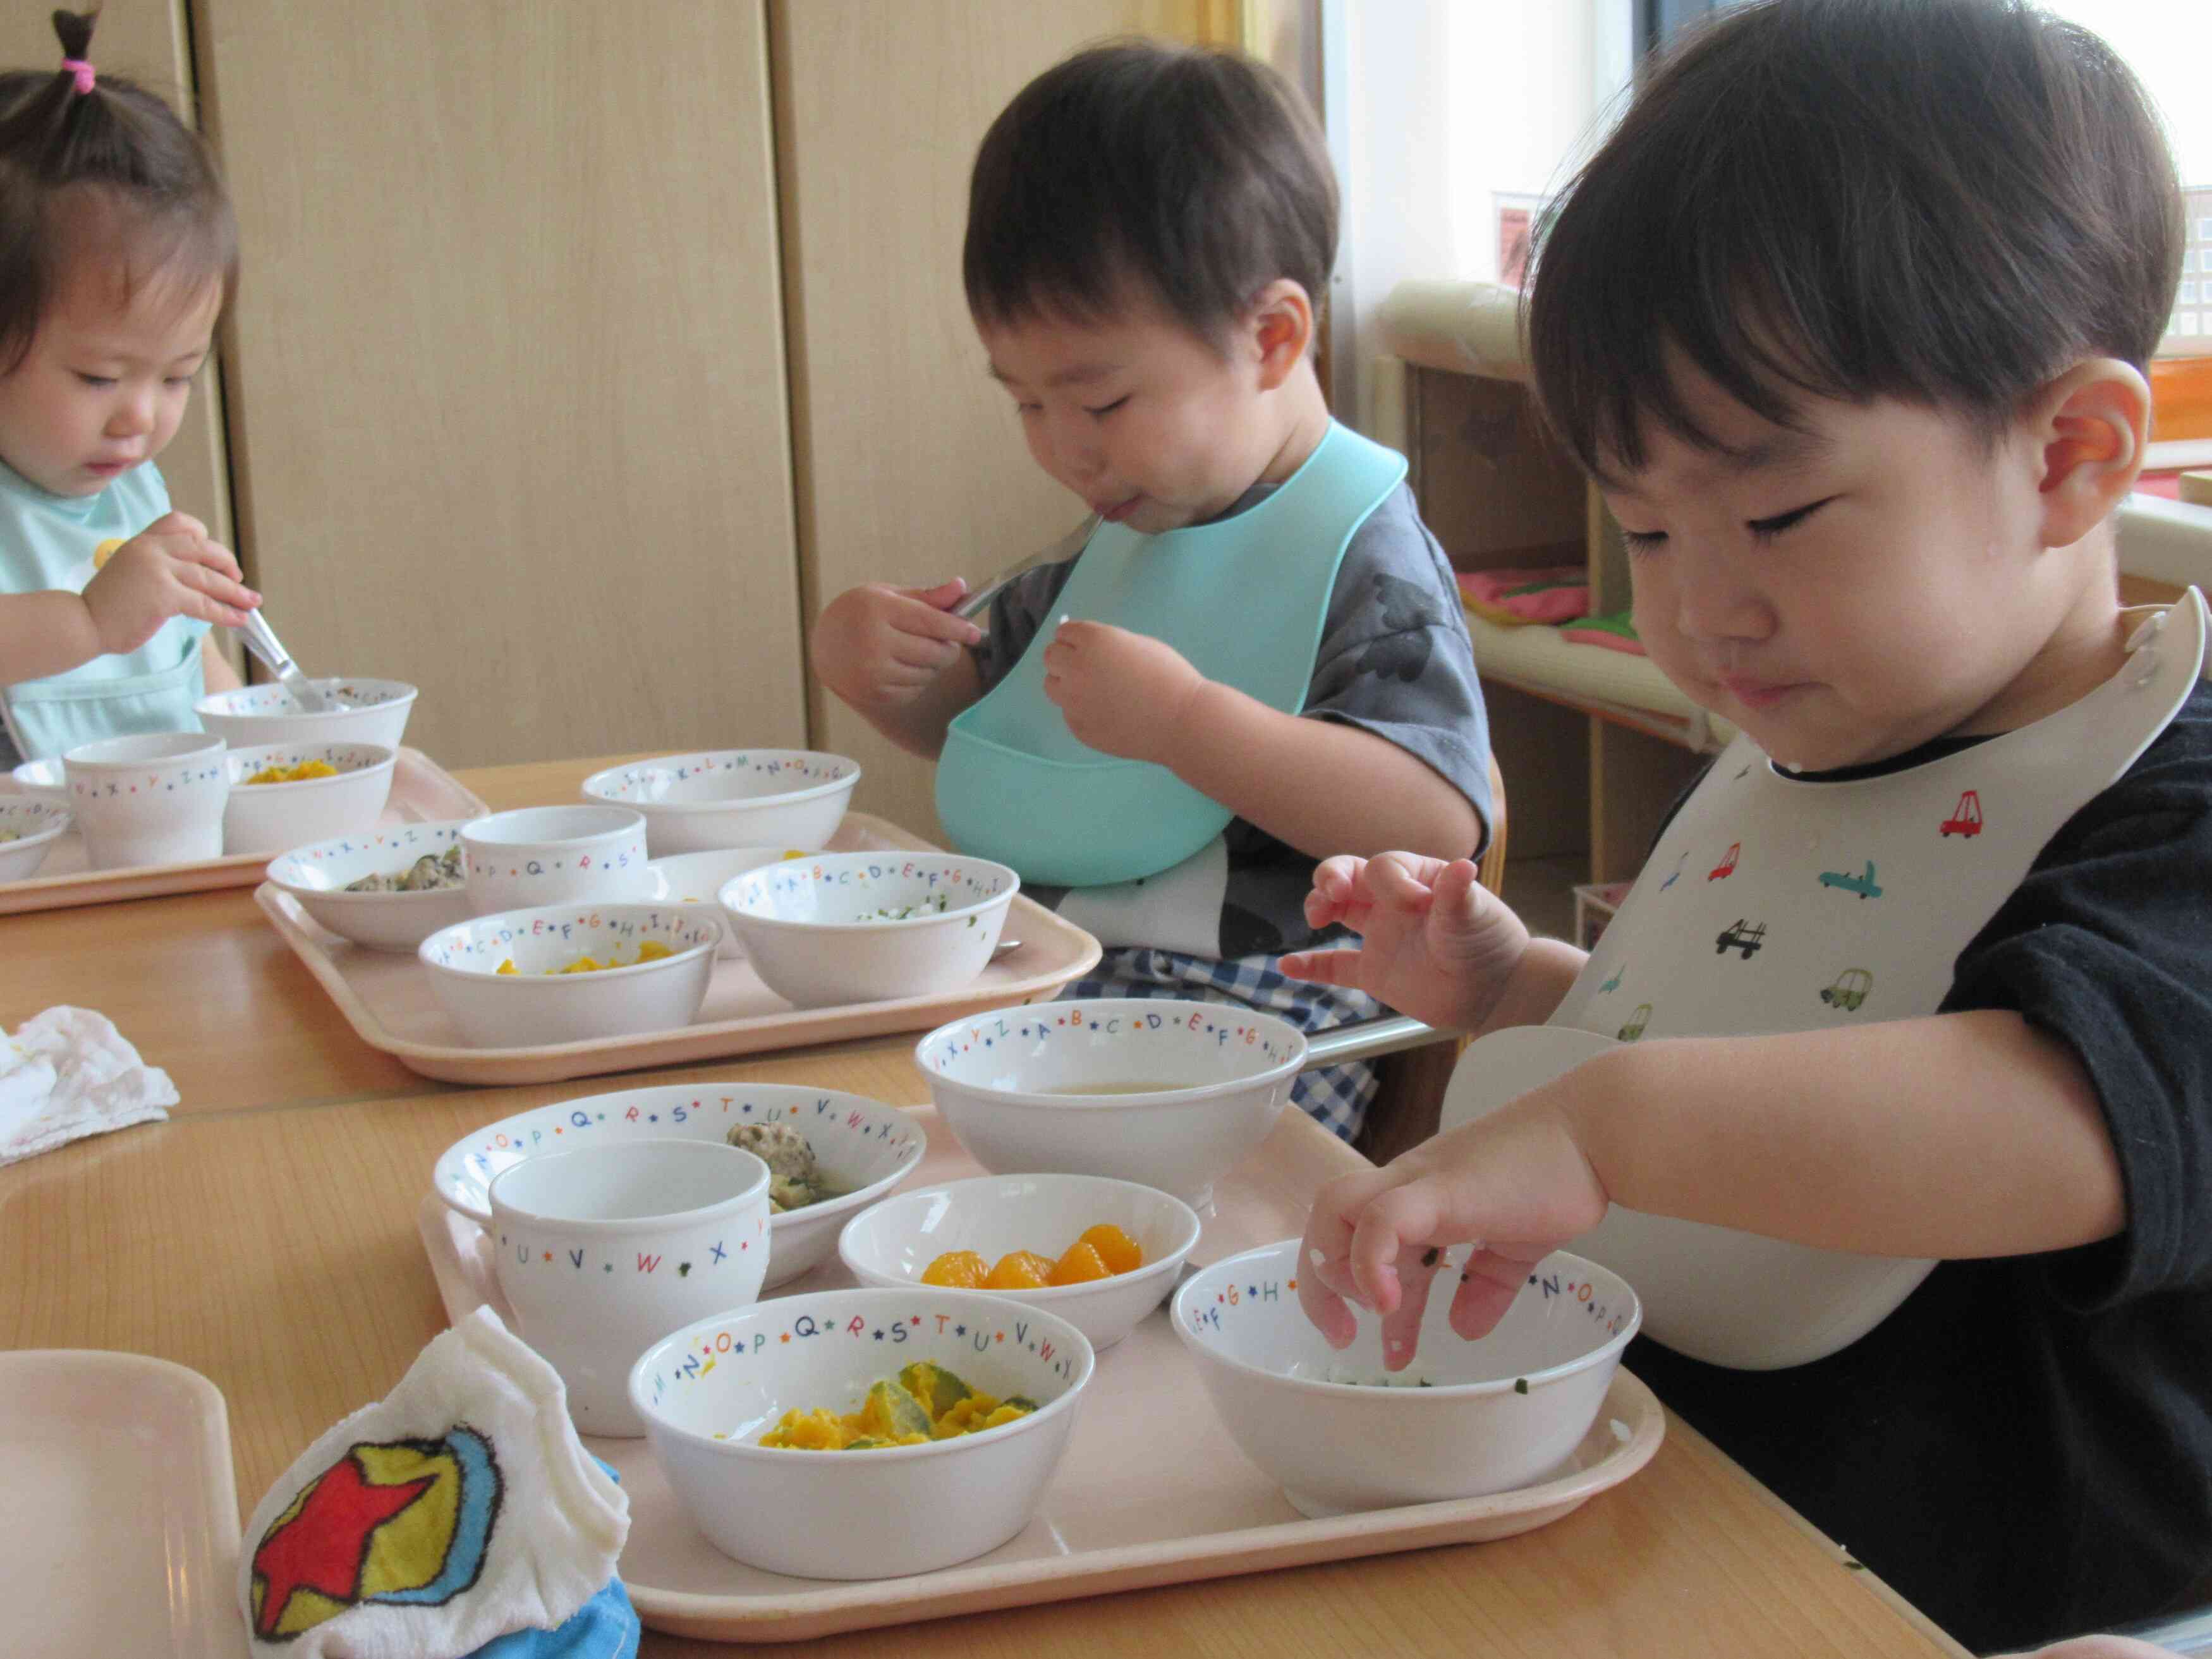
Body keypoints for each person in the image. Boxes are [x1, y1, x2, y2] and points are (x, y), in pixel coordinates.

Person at [1284, 1, 2209, 1649]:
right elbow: (1777, 1012)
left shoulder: (2169, 801)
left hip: (1999, 1604)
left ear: (2070, 454)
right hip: (1675, 1526)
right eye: (1644, 525)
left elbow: (2064, 1120)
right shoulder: (1834, 727)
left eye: (1777, 513)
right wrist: (1524, 993)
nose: (1695, 609)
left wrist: (1599, 1122)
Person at [811, 40, 1492, 1141]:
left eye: (1101, 400)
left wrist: (1187, 725)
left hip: (1258, 1006)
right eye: (1027, 406)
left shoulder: (1366, 558)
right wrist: (879, 670)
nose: (1064, 451)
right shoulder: (1127, 522)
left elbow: (1438, 818)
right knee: (832, 1105)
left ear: (1271, 338)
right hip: (1041, 970)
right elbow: (996, 727)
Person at [0, 8, 257, 769]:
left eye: (178, 376)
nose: (139, 419)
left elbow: (189, 668)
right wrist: (87, 621)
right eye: (98, 378)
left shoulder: (131, 493)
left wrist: (251, 739)